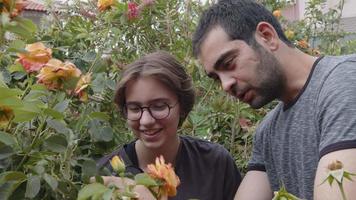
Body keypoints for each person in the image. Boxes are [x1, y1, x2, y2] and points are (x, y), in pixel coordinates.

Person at [192, 0, 356, 200]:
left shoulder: (345, 82)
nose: (225, 85)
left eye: (229, 63)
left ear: (267, 37)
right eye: (217, 78)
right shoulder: (268, 132)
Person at [98, 51, 242, 200]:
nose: (146, 120)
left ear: (182, 107)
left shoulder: (214, 163)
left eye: (159, 106)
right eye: (135, 108)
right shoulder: (104, 174)